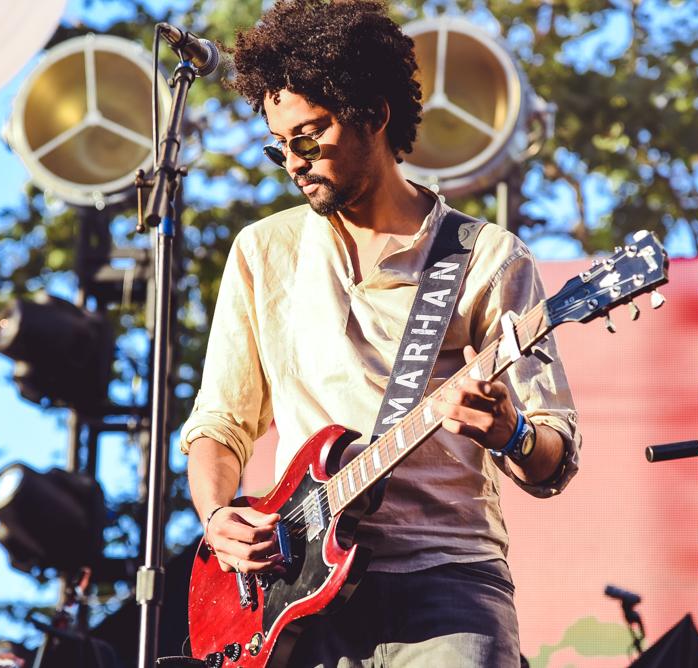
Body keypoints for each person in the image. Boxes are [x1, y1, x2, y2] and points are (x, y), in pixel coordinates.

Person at [180, 0, 581, 665]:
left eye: (309, 137)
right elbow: (220, 423)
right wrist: (218, 517)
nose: (293, 162)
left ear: (372, 113)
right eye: (280, 145)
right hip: (295, 597)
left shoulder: (486, 258)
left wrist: (508, 431)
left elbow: (553, 459)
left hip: (446, 584)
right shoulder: (263, 252)